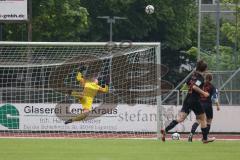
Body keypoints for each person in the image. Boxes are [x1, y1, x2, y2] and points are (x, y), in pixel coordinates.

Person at [161, 60, 215, 143]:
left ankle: (166, 130)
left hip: (187, 99)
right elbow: (194, 87)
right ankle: (205, 138)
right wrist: (204, 93)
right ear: (204, 69)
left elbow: (187, 85)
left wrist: (183, 90)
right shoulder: (200, 78)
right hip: (194, 100)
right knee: (203, 117)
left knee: (180, 118)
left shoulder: (193, 76)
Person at [188, 73, 220, 142]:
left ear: (205, 78)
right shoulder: (212, 87)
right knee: (209, 120)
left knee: (198, 120)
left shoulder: (200, 84)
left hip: (199, 104)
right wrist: (217, 106)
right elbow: (215, 97)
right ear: (211, 79)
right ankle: (205, 137)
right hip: (208, 104)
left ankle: (191, 133)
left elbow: (193, 89)